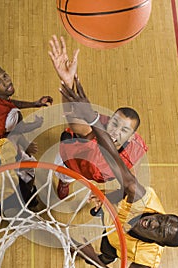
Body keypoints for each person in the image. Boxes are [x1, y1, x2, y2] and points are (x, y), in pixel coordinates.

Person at [59, 76, 178, 268]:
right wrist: (91, 118)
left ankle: (98, 256)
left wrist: (93, 259)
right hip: (115, 219)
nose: (154, 223)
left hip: (117, 241)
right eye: (162, 219)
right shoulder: (144, 199)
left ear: (160, 244)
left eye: (160, 231)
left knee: (106, 254)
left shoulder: (147, 257)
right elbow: (116, 161)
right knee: (108, 219)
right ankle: (98, 236)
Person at [48, 35, 148, 199]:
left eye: (124, 130)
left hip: (98, 174)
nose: (115, 131)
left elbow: (129, 174)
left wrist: (114, 194)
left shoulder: (133, 149)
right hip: (72, 160)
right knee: (65, 173)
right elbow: (74, 120)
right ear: (109, 121)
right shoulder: (94, 128)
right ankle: (65, 182)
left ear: (131, 138)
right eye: (115, 123)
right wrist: (67, 83)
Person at [0, 63, 53, 154]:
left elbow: (7, 103)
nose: (6, 82)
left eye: (4, 76)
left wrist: (34, 104)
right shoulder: (4, 119)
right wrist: (36, 124)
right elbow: (19, 129)